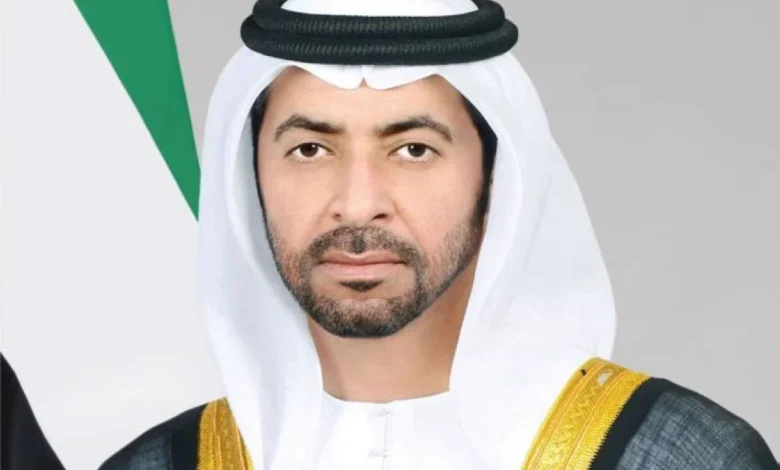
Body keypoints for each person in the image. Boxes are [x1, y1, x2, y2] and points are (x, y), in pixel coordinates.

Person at [100, 0, 778, 469]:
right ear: (250, 177)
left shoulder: (679, 457)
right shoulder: (162, 464)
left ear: (496, 178)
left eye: (413, 150)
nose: (358, 204)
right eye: (310, 149)